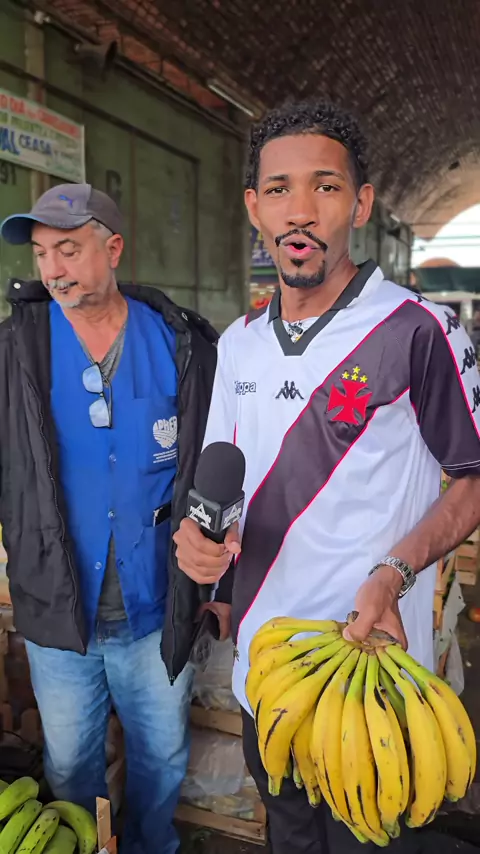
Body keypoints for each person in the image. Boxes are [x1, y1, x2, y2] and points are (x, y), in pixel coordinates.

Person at [173, 99, 480, 854]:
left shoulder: (418, 331)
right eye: (279, 189)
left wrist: (394, 572)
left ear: (361, 205)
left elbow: (472, 479)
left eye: (326, 186)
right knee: (289, 837)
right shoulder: (238, 344)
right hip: (268, 677)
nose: (300, 210)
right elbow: (225, 486)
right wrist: (204, 552)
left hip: (370, 680)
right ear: (255, 207)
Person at [0, 183, 221, 854]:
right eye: (42, 254)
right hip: (58, 606)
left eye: (68, 250)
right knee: (70, 763)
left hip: (154, 606)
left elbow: (216, 459)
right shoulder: (17, 347)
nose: (53, 269)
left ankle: (152, 846)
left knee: (162, 755)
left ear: (113, 248)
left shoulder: (180, 343)